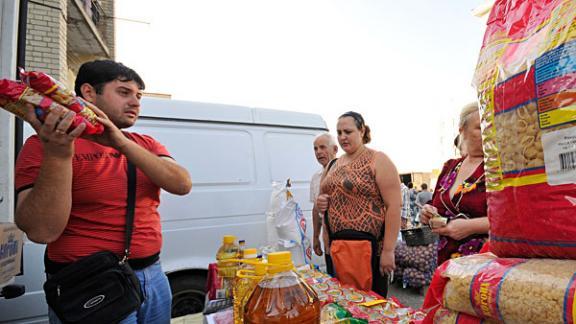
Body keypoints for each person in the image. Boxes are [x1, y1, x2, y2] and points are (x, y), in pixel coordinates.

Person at [14, 60, 192, 323]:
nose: (135, 102)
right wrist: (59, 154)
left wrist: (119, 142)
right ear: (88, 93)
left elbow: (181, 184)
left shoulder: (145, 144)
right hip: (87, 282)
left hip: (152, 275)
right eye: (123, 92)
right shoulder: (45, 144)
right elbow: (42, 231)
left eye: (138, 95)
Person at [317, 111, 401, 297]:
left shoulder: (378, 160)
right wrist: (322, 201)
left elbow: (394, 206)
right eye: (339, 133)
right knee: (342, 302)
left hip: (370, 250)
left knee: (371, 305)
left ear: (362, 130)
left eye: (348, 131)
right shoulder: (333, 165)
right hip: (337, 247)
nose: (342, 137)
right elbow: (323, 196)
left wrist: (388, 250)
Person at [419, 102, 488, 265]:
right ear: (462, 130)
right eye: (480, 127)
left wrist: (471, 227)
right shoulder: (450, 166)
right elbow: (433, 204)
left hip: (483, 263)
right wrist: (427, 213)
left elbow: (512, 218)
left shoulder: (500, 166)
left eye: (490, 125)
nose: (488, 131)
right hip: (446, 261)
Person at [310, 133, 338, 275]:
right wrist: (315, 237)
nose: (318, 152)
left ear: (335, 149)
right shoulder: (316, 178)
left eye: (322, 147)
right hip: (328, 241)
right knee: (333, 281)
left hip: (344, 240)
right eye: (315, 148)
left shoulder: (344, 172)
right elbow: (316, 210)